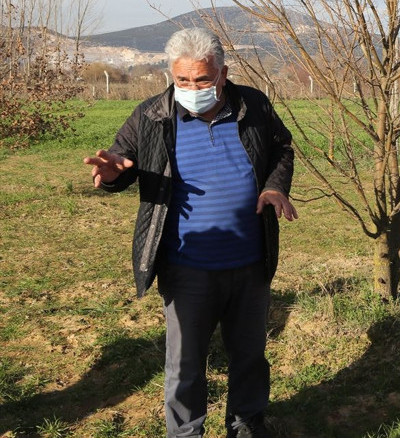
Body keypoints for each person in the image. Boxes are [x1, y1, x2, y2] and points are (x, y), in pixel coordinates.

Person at [83, 28, 297, 438]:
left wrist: (274, 186)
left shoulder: (253, 105)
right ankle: (185, 433)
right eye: (182, 80)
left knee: (250, 356)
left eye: (203, 79)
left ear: (223, 72)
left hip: (250, 263)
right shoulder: (150, 116)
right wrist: (110, 175)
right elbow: (120, 165)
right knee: (184, 365)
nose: (192, 88)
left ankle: (246, 425)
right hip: (187, 268)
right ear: (171, 75)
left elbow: (281, 148)